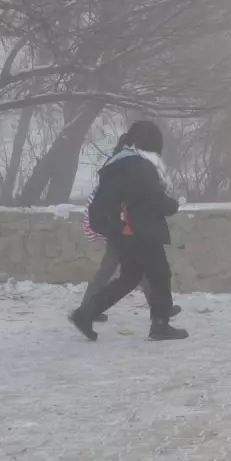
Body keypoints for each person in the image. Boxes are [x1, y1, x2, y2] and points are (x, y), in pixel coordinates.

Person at [69, 121, 188, 341]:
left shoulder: (117, 163)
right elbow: (151, 197)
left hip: (121, 229)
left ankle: (86, 313)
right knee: (160, 274)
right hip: (142, 229)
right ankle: (160, 325)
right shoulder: (141, 165)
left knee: (129, 277)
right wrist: (172, 205)